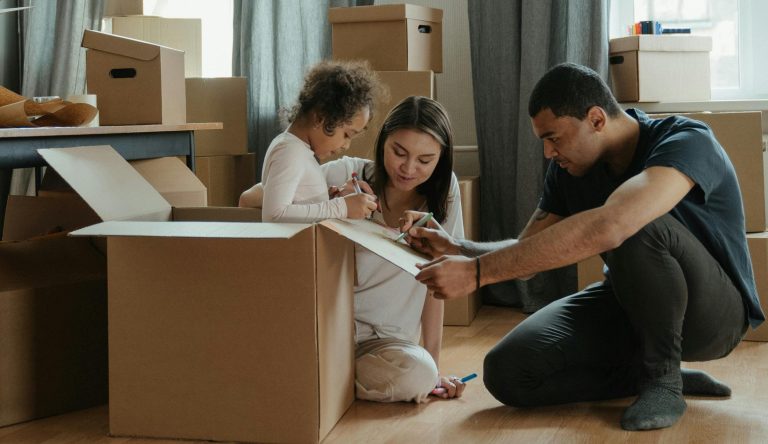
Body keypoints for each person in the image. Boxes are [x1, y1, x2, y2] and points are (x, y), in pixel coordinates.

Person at [402, 63, 764, 429]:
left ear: (595, 119)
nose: (547, 152)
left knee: (634, 222)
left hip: (714, 317)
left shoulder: (686, 140)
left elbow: (616, 224)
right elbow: (528, 252)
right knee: (508, 372)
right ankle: (644, 374)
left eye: (554, 138)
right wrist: (459, 249)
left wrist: (477, 274)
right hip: (630, 304)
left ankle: (663, 381)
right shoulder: (568, 170)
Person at [241, 96, 468, 402]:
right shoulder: (347, 174)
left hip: (387, 343)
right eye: (398, 152)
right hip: (329, 330)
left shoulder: (445, 195)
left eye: (425, 160)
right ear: (382, 141)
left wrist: (435, 367)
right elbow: (250, 199)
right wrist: (332, 203)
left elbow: (437, 283)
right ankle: (323, 377)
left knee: (420, 375)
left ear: (441, 158)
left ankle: (320, 379)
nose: (409, 168)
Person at [242, 60, 380, 221]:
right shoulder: (289, 152)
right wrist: (341, 207)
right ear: (321, 118)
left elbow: (296, 205)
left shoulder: (299, 150)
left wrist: (325, 198)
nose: (346, 145)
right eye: (347, 135)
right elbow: (274, 215)